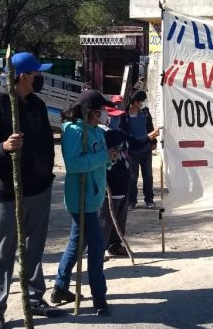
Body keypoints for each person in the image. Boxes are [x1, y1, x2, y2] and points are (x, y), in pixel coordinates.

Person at [0, 52, 62, 328]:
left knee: (34, 247)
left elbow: (48, 143)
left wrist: (47, 174)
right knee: (3, 251)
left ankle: (36, 298)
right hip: (7, 194)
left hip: (40, 189)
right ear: (23, 76)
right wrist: (3, 147)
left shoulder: (37, 104)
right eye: (37, 73)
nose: (40, 78)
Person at [51, 90, 114, 316]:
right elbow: (75, 164)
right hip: (81, 199)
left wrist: (109, 160)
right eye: (101, 110)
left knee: (76, 243)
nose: (104, 114)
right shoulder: (74, 132)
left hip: (93, 196)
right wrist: (103, 157)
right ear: (91, 111)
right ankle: (100, 299)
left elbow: (99, 159)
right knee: (96, 248)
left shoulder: (96, 131)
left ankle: (60, 287)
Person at [119, 90, 159, 210]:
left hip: (146, 150)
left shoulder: (145, 113)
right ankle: (132, 201)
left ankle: (149, 200)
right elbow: (125, 134)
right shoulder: (125, 116)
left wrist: (153, 142)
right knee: (132, 177)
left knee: (148, 176)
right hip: (132, 151)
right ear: (135, 102)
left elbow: (150, 127)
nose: (142, 103)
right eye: (141, 101)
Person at [99, 125, 131, 258]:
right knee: (105, 222)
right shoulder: (102, 139)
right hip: (110, 191)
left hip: (123, 189)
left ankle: (115, 245)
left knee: (120, 220)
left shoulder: (122, 146)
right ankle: (99, 249)